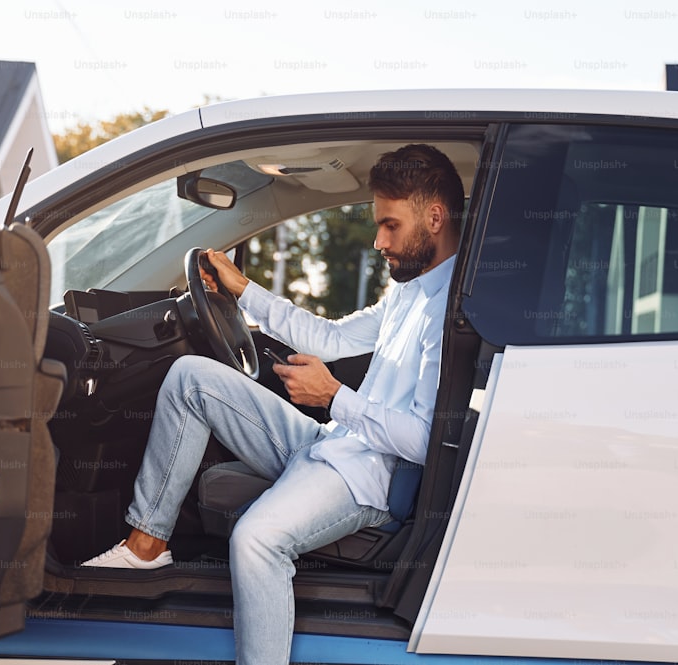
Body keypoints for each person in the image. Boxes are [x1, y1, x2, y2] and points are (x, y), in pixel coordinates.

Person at [82, 143, 465, 664]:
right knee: (191, 378)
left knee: (257, 540)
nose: (379, 241)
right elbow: (330, 339)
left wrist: (333, 397)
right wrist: (244, 291)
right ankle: (146, 545)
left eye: (390, 226)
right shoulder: (410, 288)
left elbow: (425, 441)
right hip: (334, 444)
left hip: (367, 479)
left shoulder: (451, 315)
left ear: (435, 218)